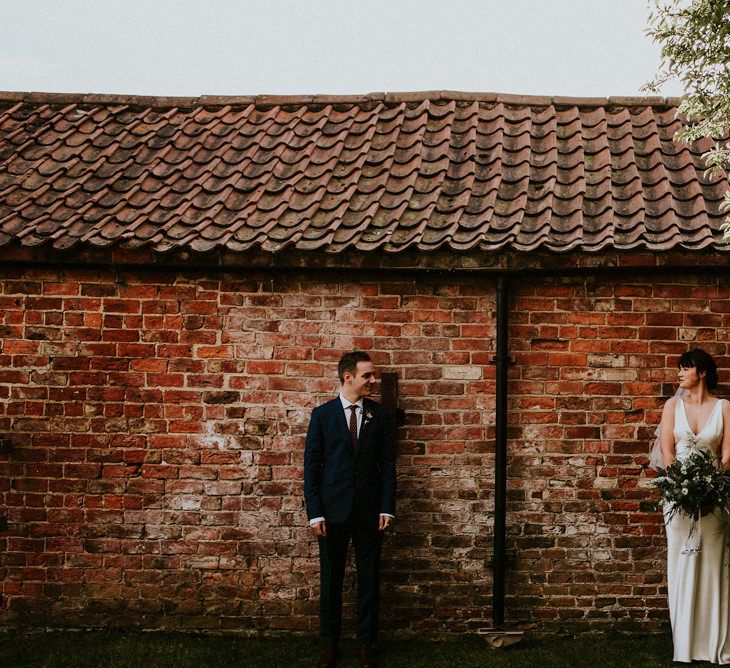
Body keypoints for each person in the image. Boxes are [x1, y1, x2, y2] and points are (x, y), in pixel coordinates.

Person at [304, 351, 397, 668]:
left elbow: (388, 465)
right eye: (368, 375)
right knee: (331, 579)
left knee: (369, 579)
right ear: (348, 377)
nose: (373, 380)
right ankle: (330, 643)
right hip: (332, 513)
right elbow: (312, 468)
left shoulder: (379, 415)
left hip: (370, 512)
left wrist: (387, 507)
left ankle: (367, 643)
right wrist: (315, 513)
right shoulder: (323, 415)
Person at [658, 348, 730, 664]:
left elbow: (728, 457)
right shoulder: (672, 406)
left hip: (715, 496)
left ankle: (714, 646)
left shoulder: (725, 407)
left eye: (683, 368)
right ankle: (684, 647)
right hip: (678, 496)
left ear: (701, 371)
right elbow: (667, 454)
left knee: (714, 567)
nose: (678, 374)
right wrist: (683, 490)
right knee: (683, 564)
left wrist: (708, 489)